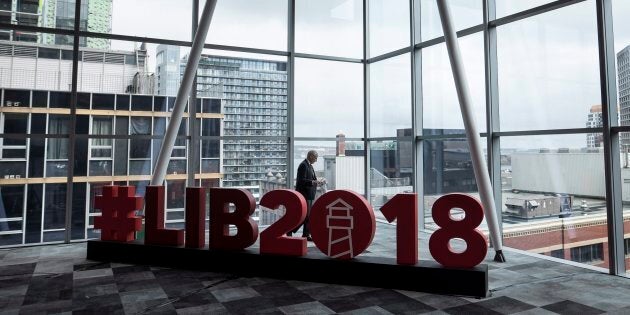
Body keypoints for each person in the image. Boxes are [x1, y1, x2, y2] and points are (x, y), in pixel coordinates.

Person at [289, 150, 322, 241]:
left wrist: (317, 181)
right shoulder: (303, 165)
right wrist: (312, 182)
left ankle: (305, 234)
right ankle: (291, 230)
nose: (316, 160)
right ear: (310, 156)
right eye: (315, 157)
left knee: (308, 216)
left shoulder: (310, 166)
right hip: (304, 195)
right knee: (305, 216)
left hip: (309, 195)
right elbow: (301, 181)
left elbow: (311, 179)